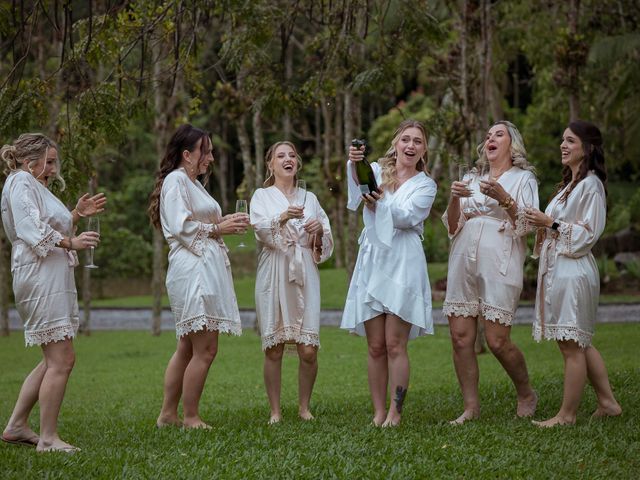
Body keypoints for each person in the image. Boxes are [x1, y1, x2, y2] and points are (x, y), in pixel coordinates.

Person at [1, 133, 105, 452]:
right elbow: (30, 229)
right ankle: (47, 439)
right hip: (38, 273)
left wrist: (75, 214)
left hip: (50, 273)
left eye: (54, 161)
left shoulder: (36, 187)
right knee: (62, 358)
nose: (53, 167)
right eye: (49, 161)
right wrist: (71, 242)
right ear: (29, 160)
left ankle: (17, 425)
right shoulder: (20, 181)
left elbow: (48, 224)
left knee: (52, 359)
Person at [148, 124, 249, 429]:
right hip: (194, 271)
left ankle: (168, 415)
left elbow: (202, 220)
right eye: (206, 151)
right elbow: (181, 226)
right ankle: (190, 416)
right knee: (205, 349)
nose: (212, 158)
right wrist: (219, 228)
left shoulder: (192, 183)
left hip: (201, 267)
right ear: (187, 154)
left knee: (187, 347)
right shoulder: (177, 180)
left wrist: (225, 221)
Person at [524, 120, 622, 427]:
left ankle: (566, 415)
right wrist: (540, 223)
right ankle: (608, 403)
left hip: (574, 270)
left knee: (571, 344)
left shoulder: (591, 185)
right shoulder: (571, 185)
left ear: (588, 148)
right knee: (578, 341)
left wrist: (549, 222)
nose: (563, 146)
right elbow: (554, 225)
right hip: (559, 269)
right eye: (562, 140)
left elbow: (587, 235)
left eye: (570, 141)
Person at [341, 119, 437, 427]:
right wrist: (354, 164)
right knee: (375, 345)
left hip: (403, 261)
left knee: (396, 343)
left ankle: (396, 413)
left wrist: (381, 203)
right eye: (405, 139)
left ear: (424, 150)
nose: (410, 146)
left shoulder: (426, 185)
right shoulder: (379, 172)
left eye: (417, 142)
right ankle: (379, 411)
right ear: (395, 143)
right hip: (372, 259)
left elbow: (408, 217)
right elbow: (357, 197)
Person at [443, 121, 538, 424]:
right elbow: (452, 225)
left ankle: (526, 392)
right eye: (487, 136)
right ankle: (471, 407)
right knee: (459, 337)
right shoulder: (472, 177)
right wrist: (455, 198)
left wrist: (503, 198)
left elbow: (528, 225)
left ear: (513, 144)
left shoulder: (524, 179)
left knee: (497, 340)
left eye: (499, 134)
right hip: (463, 258)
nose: (490, 139)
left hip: (501, 259)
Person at [250, 141, 333, 424]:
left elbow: (324, 240)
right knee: (274, 347)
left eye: (292, 155)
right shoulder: (261, 196)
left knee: (308, 349)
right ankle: (275, 411)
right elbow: (261, 231)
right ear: (270, 164)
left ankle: (304, 407)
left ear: (297, 163)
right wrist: (284, 216)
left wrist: (318, 231)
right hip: (274, 271)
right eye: (280, 156)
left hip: (304, 272)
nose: (288, 159)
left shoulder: (310, 198)